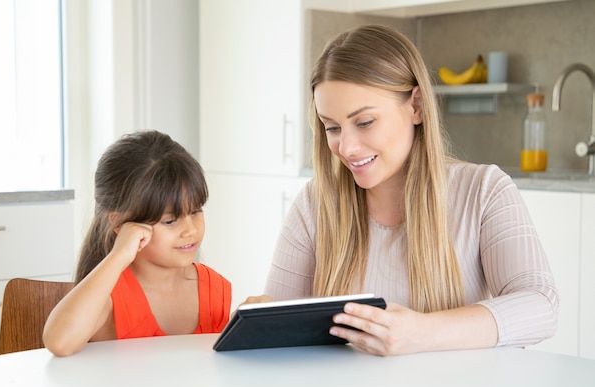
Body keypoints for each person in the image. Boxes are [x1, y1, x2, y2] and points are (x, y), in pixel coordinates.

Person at [245, 24, 558, 356]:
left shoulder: (483, 191)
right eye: (332, 127)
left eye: (365, 122)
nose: (347, 147)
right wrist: (259, 321)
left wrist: (422, 333)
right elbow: (276, 328)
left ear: (417, 106)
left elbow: (541, 306)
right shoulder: (314, 204)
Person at [43, 130, 231, 357]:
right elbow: (60, 342)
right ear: (120, 224)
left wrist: (245, 327)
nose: (190, 230)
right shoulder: (108, 295)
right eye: (170, 221)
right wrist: (118, 255)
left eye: (196, 211)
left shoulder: (214, 288)